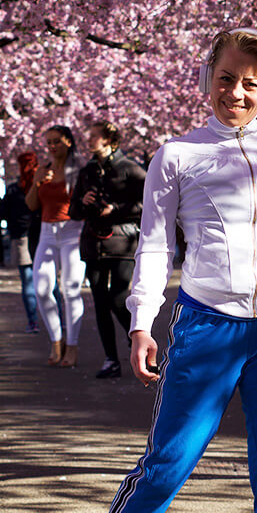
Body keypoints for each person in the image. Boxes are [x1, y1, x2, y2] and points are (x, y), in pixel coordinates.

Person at [84, 28, 257, 513]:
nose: (235, 93)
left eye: (250, 84)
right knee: (168, 462)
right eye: (226, 79)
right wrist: (141, 323)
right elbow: (156, 245)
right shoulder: (177, 155)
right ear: (208, 78)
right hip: (206, 325)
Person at [69, 120, 147, 379]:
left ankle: (137, 340)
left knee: (118, 297)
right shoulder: (87, 171)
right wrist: (83, 201)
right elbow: (73, 212)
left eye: (93, 136)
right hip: (93, 243)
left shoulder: (131, 169)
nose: (88, 140)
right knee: (100, 301)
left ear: (109, 140)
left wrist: (116, 209)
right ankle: (111, 359)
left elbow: (149, 205)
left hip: (122, 243)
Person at [25, 125, 87, 367]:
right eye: (48, 142)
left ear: (69, 142)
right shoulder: (44, 170)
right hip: (46, 232)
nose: (51, 146)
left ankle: (72, 346)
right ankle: (56, 341)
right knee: (41, 288)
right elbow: (31, 205)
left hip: (73, 231)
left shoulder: (80, 170)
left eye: (56, 141)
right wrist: (37, 183)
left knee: (70, 290)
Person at [3, 151, 44, 333]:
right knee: (49, 281)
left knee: (27, 281)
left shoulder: (14, 189)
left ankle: (33, 322)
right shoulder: (42, 185)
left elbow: (3, 212)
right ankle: (59, 319)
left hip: (21, 236)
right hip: (41, 233)